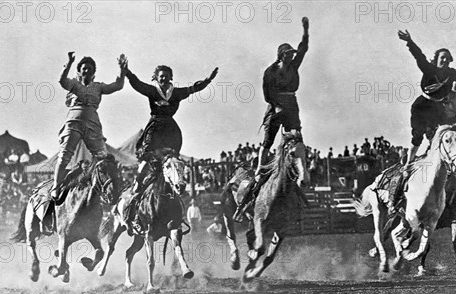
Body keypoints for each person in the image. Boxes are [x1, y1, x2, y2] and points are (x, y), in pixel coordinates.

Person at [389, 30, 456, 217]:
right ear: (436, 59)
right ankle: (408, 164)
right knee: (417, 136)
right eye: (442, 58)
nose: (445, 61)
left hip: (438, 109)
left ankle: (439, 167)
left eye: (447, 58)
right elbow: (418, 55)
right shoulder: (428, 69)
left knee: (446, 134)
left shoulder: (452, 74)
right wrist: (409, 40)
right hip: (422, 106)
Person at [233, 16, 309, 222]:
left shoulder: (293, 67)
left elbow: (304, 49)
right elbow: (267, 92)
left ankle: (299, 170)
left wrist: (305, 30)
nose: (290, 56)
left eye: (291, 54)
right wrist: (275, 107)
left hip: (291, 104)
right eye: (287, 54)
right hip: (276, 104)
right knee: (268, 138)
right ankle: (259, 168)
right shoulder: (270, 71)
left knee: (298, 138)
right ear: (280, 55)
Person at [123, 60, 218, 192]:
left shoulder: (177, 93)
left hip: (170, 129)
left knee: (173, 159)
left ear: (170, 78)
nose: (163, 78)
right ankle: (138, 183)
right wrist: (127, 72)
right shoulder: (152, 91)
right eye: (161, 76)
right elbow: (138, 84)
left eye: (166, 76)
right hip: (155, 127)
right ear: (156, 77)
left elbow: (194, 89)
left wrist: (208, 80)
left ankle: (176, 185)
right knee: (147, 158)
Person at [51, 52, 126, 201]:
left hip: (92, 124)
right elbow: (62, 80)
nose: (87, 71)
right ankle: (56, 186)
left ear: (94, 72)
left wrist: (122, 71)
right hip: (74, 122)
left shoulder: (98, 87)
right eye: (84, 68)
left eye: (90, 69)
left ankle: (100, 185)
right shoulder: (74, 84)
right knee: (65, 155)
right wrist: (69, 63)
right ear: (80, 70)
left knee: (103, 157)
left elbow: (117, 86)